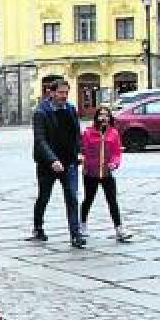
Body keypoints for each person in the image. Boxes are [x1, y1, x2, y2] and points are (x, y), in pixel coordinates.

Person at [31, 78, 86, 248]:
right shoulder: (41, 112)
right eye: (60, 92)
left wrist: (80, 152)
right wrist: (52, 159)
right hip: (47, 164)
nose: (64, 96)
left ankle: (75, 235)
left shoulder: (70, 109)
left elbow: (77, 134)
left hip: (69, 161)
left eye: (66, 93)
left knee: (72, 197)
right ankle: (38, 227)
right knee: (44, 197)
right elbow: (40, 140)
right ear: (51, 92)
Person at [79, 106, 133, 242]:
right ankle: (82, 225)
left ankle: (119, 229)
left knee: (112, 201)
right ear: (96, 118)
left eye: (106, 115)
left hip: (107, 174)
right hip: (91, 173)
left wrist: (114, 163)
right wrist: (84, 164)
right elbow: (83, 151)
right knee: (88, 199)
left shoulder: (114, 133)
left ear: (110, 118)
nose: (104, 118)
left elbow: (117, 152)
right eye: (101, 115)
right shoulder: (88, 133)